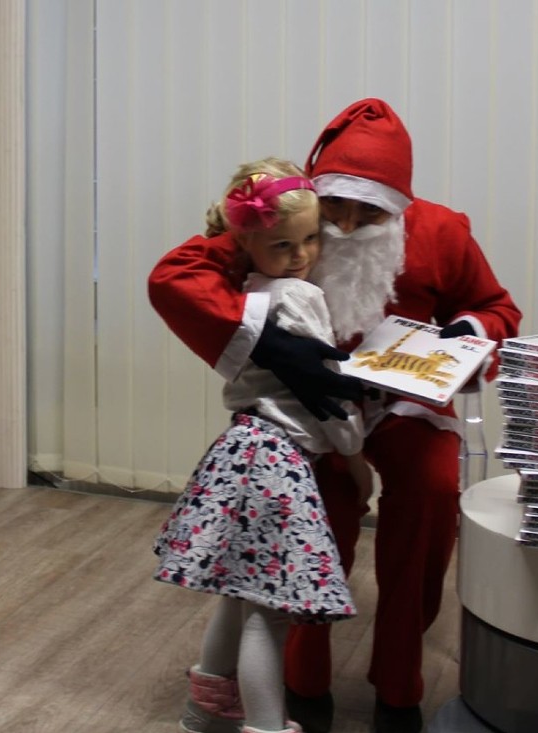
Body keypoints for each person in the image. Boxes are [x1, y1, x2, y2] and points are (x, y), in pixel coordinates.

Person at [149, 98, 523, 733]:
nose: (346, 226)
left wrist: (462, 333)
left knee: (431, 493)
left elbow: (496, 308)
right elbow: (178, 275)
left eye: (368, 211)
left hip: (403, 404)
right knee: (316, 519)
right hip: (308, 414)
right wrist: (268, 344)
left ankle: (399, 677)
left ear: (399, 203)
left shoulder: (441, 231)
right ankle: (303, 678)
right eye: (335, 209)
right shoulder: (287, 221)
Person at [152, 158, 373, 733]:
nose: (301, 255)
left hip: (243, 450)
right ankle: (267, 727)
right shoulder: (301, 301)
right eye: (283, 243)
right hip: (280, 461)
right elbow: (332, 403)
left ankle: (205, 708)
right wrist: (355, 458)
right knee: (270, 615)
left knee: (238, 593)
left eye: (309, 240)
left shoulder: (245, 293)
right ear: (244, 240)